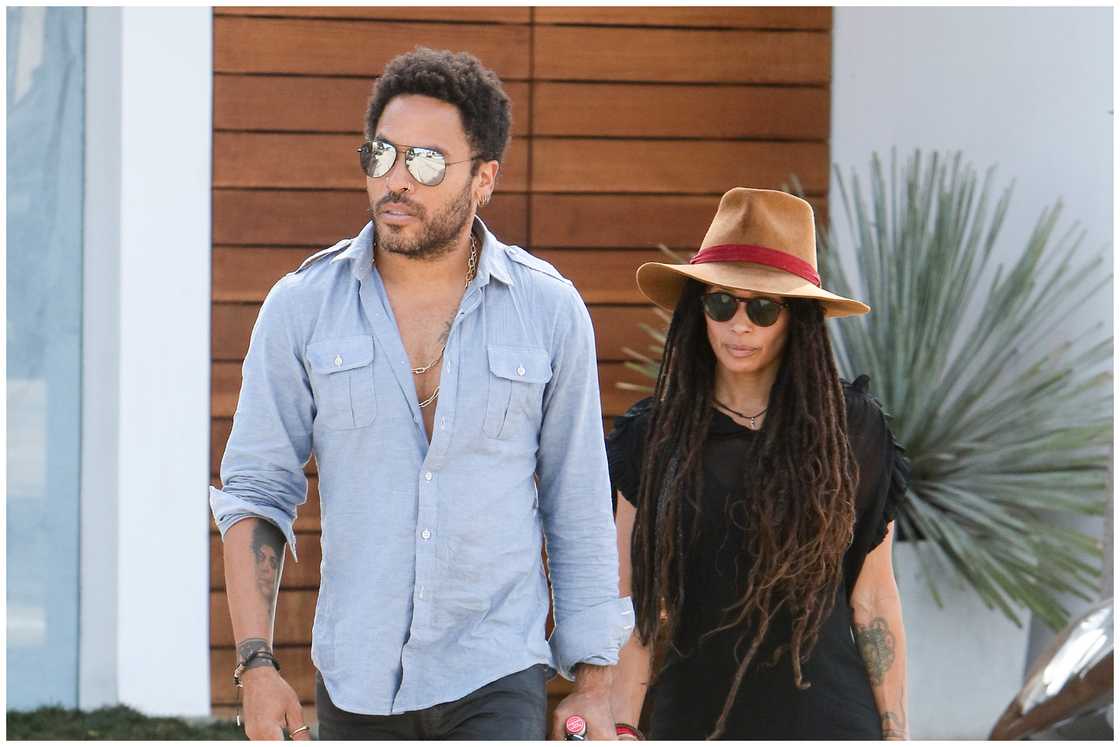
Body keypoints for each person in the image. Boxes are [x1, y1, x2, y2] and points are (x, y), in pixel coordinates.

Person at [210, 47, 632, 741]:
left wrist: (595, 681)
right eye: (381, 155)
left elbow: (577, 502)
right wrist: (256, 665)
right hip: (358, 678)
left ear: (485, 178)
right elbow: (256, 491)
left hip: (495, 673)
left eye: (427, 162)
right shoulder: (302, 307)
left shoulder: (549, 311)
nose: (396, 180)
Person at [606, 188, 911, 739]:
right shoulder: (652, 437)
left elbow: (873, 596)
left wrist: (896, 731)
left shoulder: (852, 430)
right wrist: (621, 724)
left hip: (829, 723)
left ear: (798, 320)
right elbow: (633, 600)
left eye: (763, 308)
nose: (738, 325)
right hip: (694, 720)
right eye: (721, 303)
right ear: (698, 310)